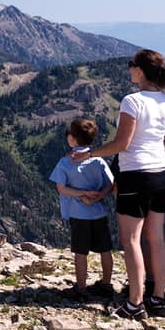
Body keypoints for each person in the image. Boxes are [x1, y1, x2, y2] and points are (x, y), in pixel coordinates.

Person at [72, 48, 165, 319]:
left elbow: (123, 144)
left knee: (130, 239)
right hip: (161, 174)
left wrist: (91, 152)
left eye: (132, 65)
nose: (130, 69)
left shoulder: (132, 101)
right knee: (156, 238)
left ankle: (134, 303)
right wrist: (164, 172)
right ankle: (158, 298)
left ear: (140, 70)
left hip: (136, 174)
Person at [49, 118, 116, 301]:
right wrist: (99, 196)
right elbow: (111, 184)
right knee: (105, 250)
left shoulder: (64, 162)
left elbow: (61, 188)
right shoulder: (99, 161)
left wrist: (81, 195)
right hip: (99, 212)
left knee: (80, 252)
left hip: (78, 214)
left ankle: (81, 287)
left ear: (72, 138)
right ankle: (106, 284)